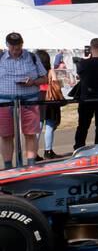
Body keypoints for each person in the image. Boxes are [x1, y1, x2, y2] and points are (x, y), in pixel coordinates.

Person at [0, 30, 47, 167]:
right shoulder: (1, 57)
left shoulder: (32, 57)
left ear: (22, 44)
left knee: (30, 133)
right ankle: (8, 167)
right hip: (4, 102)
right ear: (7, 45)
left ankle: (31, 164)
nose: (15, 50)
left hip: (29, 101)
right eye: (12, 46)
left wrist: (33, 82)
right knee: (6, 135)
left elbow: (44, 78)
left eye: (18, 46)